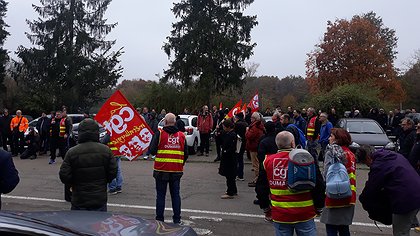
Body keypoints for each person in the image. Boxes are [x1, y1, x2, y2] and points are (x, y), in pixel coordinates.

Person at [259, 131, 317, 235]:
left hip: (280, 213)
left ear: (277, 144)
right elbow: (318, 185)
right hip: (305, 211)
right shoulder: (306, 158)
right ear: (292, 143)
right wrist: (319, 207)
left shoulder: (268, 161)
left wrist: (266, 208)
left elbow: (261, 187)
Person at [358, 146, 420, 236]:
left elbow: (371, 189)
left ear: (368, 158)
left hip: (405, 199)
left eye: (366, 163)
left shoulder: (379, 165)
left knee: (400, 232)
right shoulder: (392, 155)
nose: (368, 166)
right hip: (416, 192)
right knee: (405, 224)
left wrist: (362, 199)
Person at [59, 118, 117, 211]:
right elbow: (113, 171)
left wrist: (73, 183)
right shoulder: (106, 150)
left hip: (79, 198)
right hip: (99, 197)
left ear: (80, 132)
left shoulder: (72, 152)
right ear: (97, 132)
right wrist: (104, 181)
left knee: (77, 224)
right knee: (99, 223)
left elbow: (64, 175)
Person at [149, 113, 188, 224]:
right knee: (175, 195)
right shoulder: (181, 135)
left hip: (161, 170)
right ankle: (177, 219)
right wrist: (180, 163)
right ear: (175, 122)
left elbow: (152, 150)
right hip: (176, 170)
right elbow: (186, 154)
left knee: (160, 195)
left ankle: (159, 219)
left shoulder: (159, 134)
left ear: (165, 122)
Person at [320, 128, 356, 236]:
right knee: (344, 228)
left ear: (337, 139)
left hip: (334, 193)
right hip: (349, 194)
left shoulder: (332, 152)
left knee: (331, 228)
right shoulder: (350, 153)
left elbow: (326, 174)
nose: (329, 138)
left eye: (331, 136)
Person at [255, 121, 278, 212]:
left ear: (265, 128)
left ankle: (266, 207)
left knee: (261, 187)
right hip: (278, 167)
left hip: (266, 167)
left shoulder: (264, 140)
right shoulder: (279, 139)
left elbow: (260, 156)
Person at [218, 119, 238, 199]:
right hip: (229, 157)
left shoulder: (232, 135)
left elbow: (232, 147)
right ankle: (233, 190)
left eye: (224, 127)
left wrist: (225, 151)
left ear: (228, 127)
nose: (223, 128)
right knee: (231, 176)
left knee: (229, 176)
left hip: (229, 158)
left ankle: (230, 192)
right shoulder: (229, 134)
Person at [245, 112, 265, 187]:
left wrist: (247, 131)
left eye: (252, 118)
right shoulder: (259, 125)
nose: (250, 119)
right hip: (256, 146)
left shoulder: (254, 127)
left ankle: (257, 178)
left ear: (255, 119)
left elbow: (249, 136)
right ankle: (258, 177)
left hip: (254, 146)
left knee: (255, 164)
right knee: (257, 163)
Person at [233, 113, 247, 180]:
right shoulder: (245, 124)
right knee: (241, 159)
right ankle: (241, 175)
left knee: (237, 158)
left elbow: (234, 133)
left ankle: (237, 174)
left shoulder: (237, 124)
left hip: (238, 143)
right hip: (244, 142)